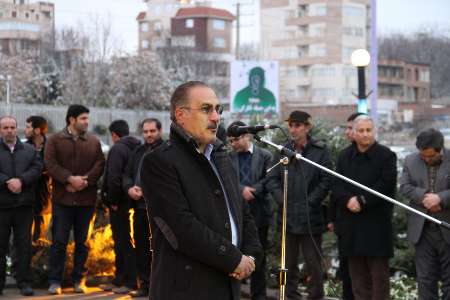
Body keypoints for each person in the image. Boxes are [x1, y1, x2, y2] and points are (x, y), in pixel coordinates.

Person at [140, 81, 262, 300]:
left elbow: (241, 212)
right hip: (186, 289)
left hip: (228, 286)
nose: (216, 117)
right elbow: (181, 227)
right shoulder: (159, 162)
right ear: (180, 115)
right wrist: (233, 259)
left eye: (218, 109)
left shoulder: (222, 159)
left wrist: (250, 257)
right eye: (206, 109)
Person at [267, 110, 332, 300]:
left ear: (307, 127)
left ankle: (316, 296)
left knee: (313, 264)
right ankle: (290, 296)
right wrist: (282, 199)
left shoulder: (320, 151)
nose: (293, 129)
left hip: (311, 217)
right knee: (288, 263)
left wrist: (310, 202)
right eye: (291, 125)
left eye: (297, 125)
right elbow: (271, 178)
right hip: (287, 217)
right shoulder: (282, 150)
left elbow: (326, 180)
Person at [332, 115, 396, 300]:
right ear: (354, 132)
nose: (365, 134)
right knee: (357, 280)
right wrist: (348, 200)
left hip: (376, 226)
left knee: (379, 280)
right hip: (351, 226)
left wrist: (361, 201)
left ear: (374, 131)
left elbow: (386, 185)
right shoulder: (345, 156)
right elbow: (336, 184)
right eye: (361, 131)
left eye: (369, 130)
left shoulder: (386, 155)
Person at [45, 104, 105, 295]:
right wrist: (69, 179)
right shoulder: (55, 140)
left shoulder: (94, 142)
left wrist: (85, 181)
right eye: (83, 118)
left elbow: (99, 164)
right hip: (63, 200)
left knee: (83, 243)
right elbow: (50, 164)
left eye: (87, 118)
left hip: (86, 201)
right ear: (71, 119)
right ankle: (55, 281)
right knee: (59, 242)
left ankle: (79, 279)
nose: (87, 122)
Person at [400, 128, 450, 299]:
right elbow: (405, 187)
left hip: (447, 227)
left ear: (440, 150)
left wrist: (441, 199)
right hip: (423, 231)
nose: (426, 159)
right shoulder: (410, 160)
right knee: (425, 279)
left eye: (430, 156)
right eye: (423, 156)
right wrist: (425, 198)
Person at [227, 121, 273, 300]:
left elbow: (270, 178)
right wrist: (241, 190)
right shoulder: (228, 158)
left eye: (236, 139)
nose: (233, 144)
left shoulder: (265, 155)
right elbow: (227, 180)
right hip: (236, 213)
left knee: (258, 256)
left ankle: (259, 295)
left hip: (260, 211)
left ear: (247, 136)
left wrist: (254, 190)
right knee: (235, 255)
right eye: (230, 141)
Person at [0, 116, 43, 296]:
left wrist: (21, 181)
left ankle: (24, 281)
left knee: (23, 245)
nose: (9, 130)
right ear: (0, 130)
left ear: (16, 129)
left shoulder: (29, 150)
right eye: (5, 128)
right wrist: (7, 181)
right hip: (1, 206)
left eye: (12, 127)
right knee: (0, 246)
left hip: (24, 206)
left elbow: (38, 167)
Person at [123, 118, 164, 298]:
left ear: (160, 131)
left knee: (160, 250)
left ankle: (160, 287)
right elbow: (126, 175)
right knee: (141, 248)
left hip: (160, 211)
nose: (149, 134)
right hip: (139, 208)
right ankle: (145, 285)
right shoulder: (138, 151)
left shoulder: (167, 151)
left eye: (152, 131)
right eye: (146, 131)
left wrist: (148, 190)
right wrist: (129, 188)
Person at [327, 112, 365, 300]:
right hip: (344, 222)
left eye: (351, 128)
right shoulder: (344, 156)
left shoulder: (376, 155)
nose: (347, 133)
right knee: (346, 270)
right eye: (347, 128)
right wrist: (332, 218)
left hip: (366, 223)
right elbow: (336, 187)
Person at [102, 120, 141, 294]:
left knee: (123, 242)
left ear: (114, 135)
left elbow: (114, 177)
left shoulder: (118, 148)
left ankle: (128, 281)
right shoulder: (137, 147)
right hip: (134, 200)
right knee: (128, 241)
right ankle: (120, 279)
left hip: (120, 203)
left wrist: (113, 200)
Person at [24, 115, 52, 243]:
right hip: (24, 200)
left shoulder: (51, 147)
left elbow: (54, 168)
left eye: (28, 127)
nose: (25, 130)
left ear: (37, 130)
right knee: (23, 239)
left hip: (43, 199)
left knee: (40, 240)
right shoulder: (23, 148)